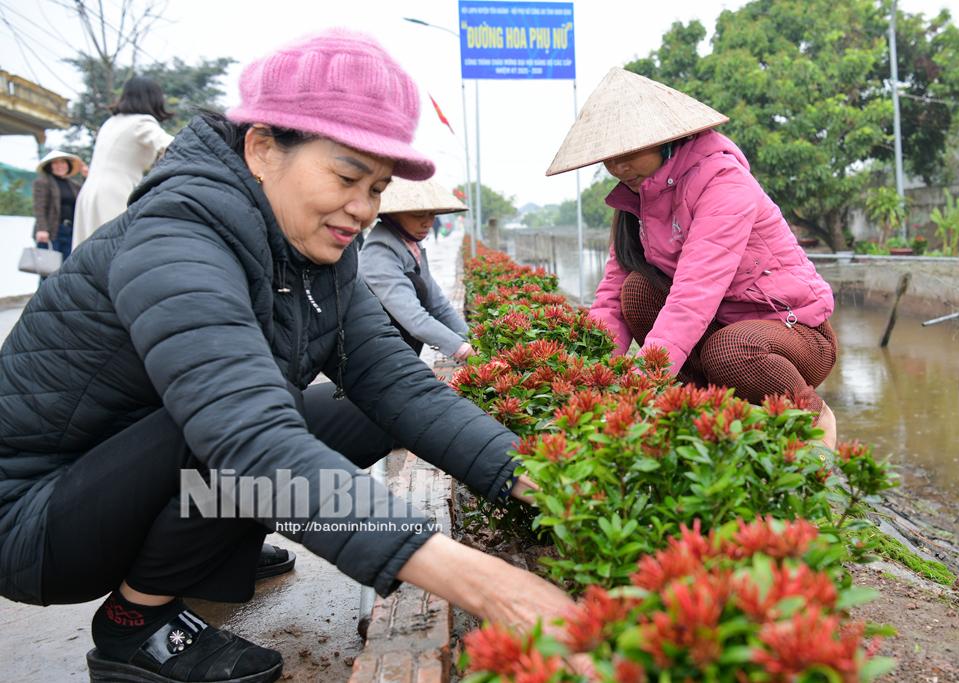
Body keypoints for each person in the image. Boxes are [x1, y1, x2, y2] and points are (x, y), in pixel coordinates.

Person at [0, 29, 569, 683]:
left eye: (378, 187)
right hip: (36, 518)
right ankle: (136, 622)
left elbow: (398, 386)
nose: (362, 209)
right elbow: (247, 439)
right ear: (263, 148)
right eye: (347, 176)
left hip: (133, 469)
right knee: (236, 432)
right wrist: (491, 585)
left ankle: (205, 547)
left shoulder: (320, 248)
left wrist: (545, 486)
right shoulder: (178, 235)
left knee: (366, 411)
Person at [546, 68, 838, 447]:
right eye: (608, 158)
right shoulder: (635, 199)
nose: (618, 167)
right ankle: (705, 426)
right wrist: (589, 378)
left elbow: (693, 293)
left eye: (628, 153)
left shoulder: (723, 182)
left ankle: (814, 418)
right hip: (719, 327)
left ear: (665, 139)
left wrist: (641, 383)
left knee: (730, 351)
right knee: (636, 291)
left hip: (793, 333)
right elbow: (610, 295)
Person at [361, 177, 475, 360]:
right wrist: (462, 350)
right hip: (376, 356)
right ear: (392, 214)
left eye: (431, 214)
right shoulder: (379, 252)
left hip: (400, 351)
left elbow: (437, 305)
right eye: (418, 215)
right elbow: (414, 319)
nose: (428, 223)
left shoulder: (409, 245)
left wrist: (474, 340)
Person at [73, 75, 175, 247]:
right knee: (115, 251)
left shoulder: (109, 123)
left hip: (88, 193)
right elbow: (172, 145)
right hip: (116, 191)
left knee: (87, 256)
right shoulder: (142, 122)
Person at [31, 150, 84, 266]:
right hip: (52, 231)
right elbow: (39, 207)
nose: (60, 166)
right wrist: (42, 229)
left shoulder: (73, 185)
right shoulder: (43, 182)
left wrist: (86, 176)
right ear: (50, 166)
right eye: (55, 163)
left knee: (66, 267)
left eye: (63, 163)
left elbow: (85, 197)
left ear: (68, 165)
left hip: (70, 230)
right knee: (48, 269)